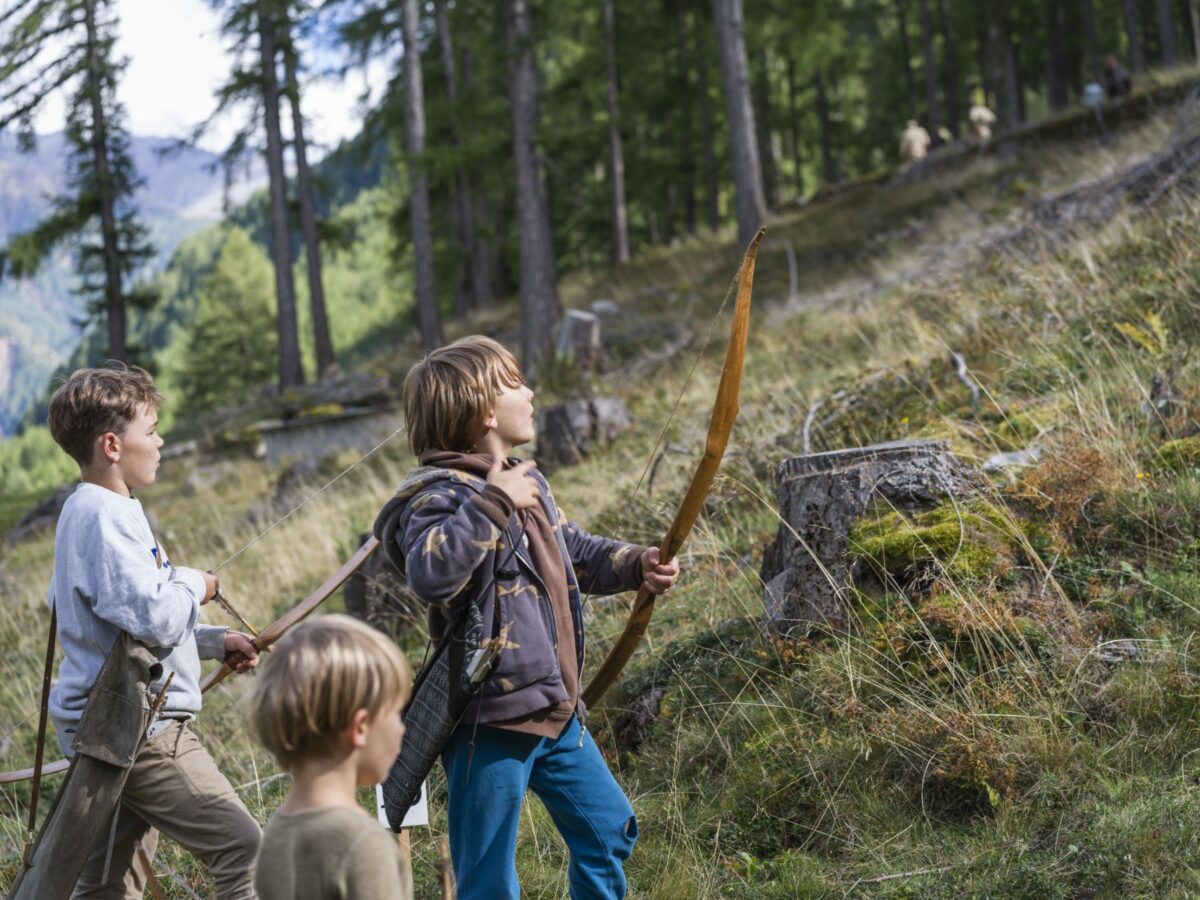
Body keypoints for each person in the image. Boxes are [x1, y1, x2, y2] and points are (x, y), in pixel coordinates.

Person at [373, 335, 680, 899]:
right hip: (486, 722)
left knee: (610, 831)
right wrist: (492, 503)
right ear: (485, 410)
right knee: (488, 878)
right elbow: (431, 573)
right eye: (516, 384)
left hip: (555, 707)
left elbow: (572, 553)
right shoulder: (434, 497)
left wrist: (637, 564)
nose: (531, 392)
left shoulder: (525, 480)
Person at [45, 362, 262, 899]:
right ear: (113, 445)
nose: (161, 441)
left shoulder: (98, 509)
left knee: (103, 885)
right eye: (151, 429)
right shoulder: (102, 515)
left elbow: (121, 626)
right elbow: (157, 615)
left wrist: (213, 642)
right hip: (138, 731)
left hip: (109, 729)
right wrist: (195, 582)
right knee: (244, 850)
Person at [246, 615, 414, 900]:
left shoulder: (278, 832)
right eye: (396, 714)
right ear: (360, 727)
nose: (402, 728)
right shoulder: (363, 845)